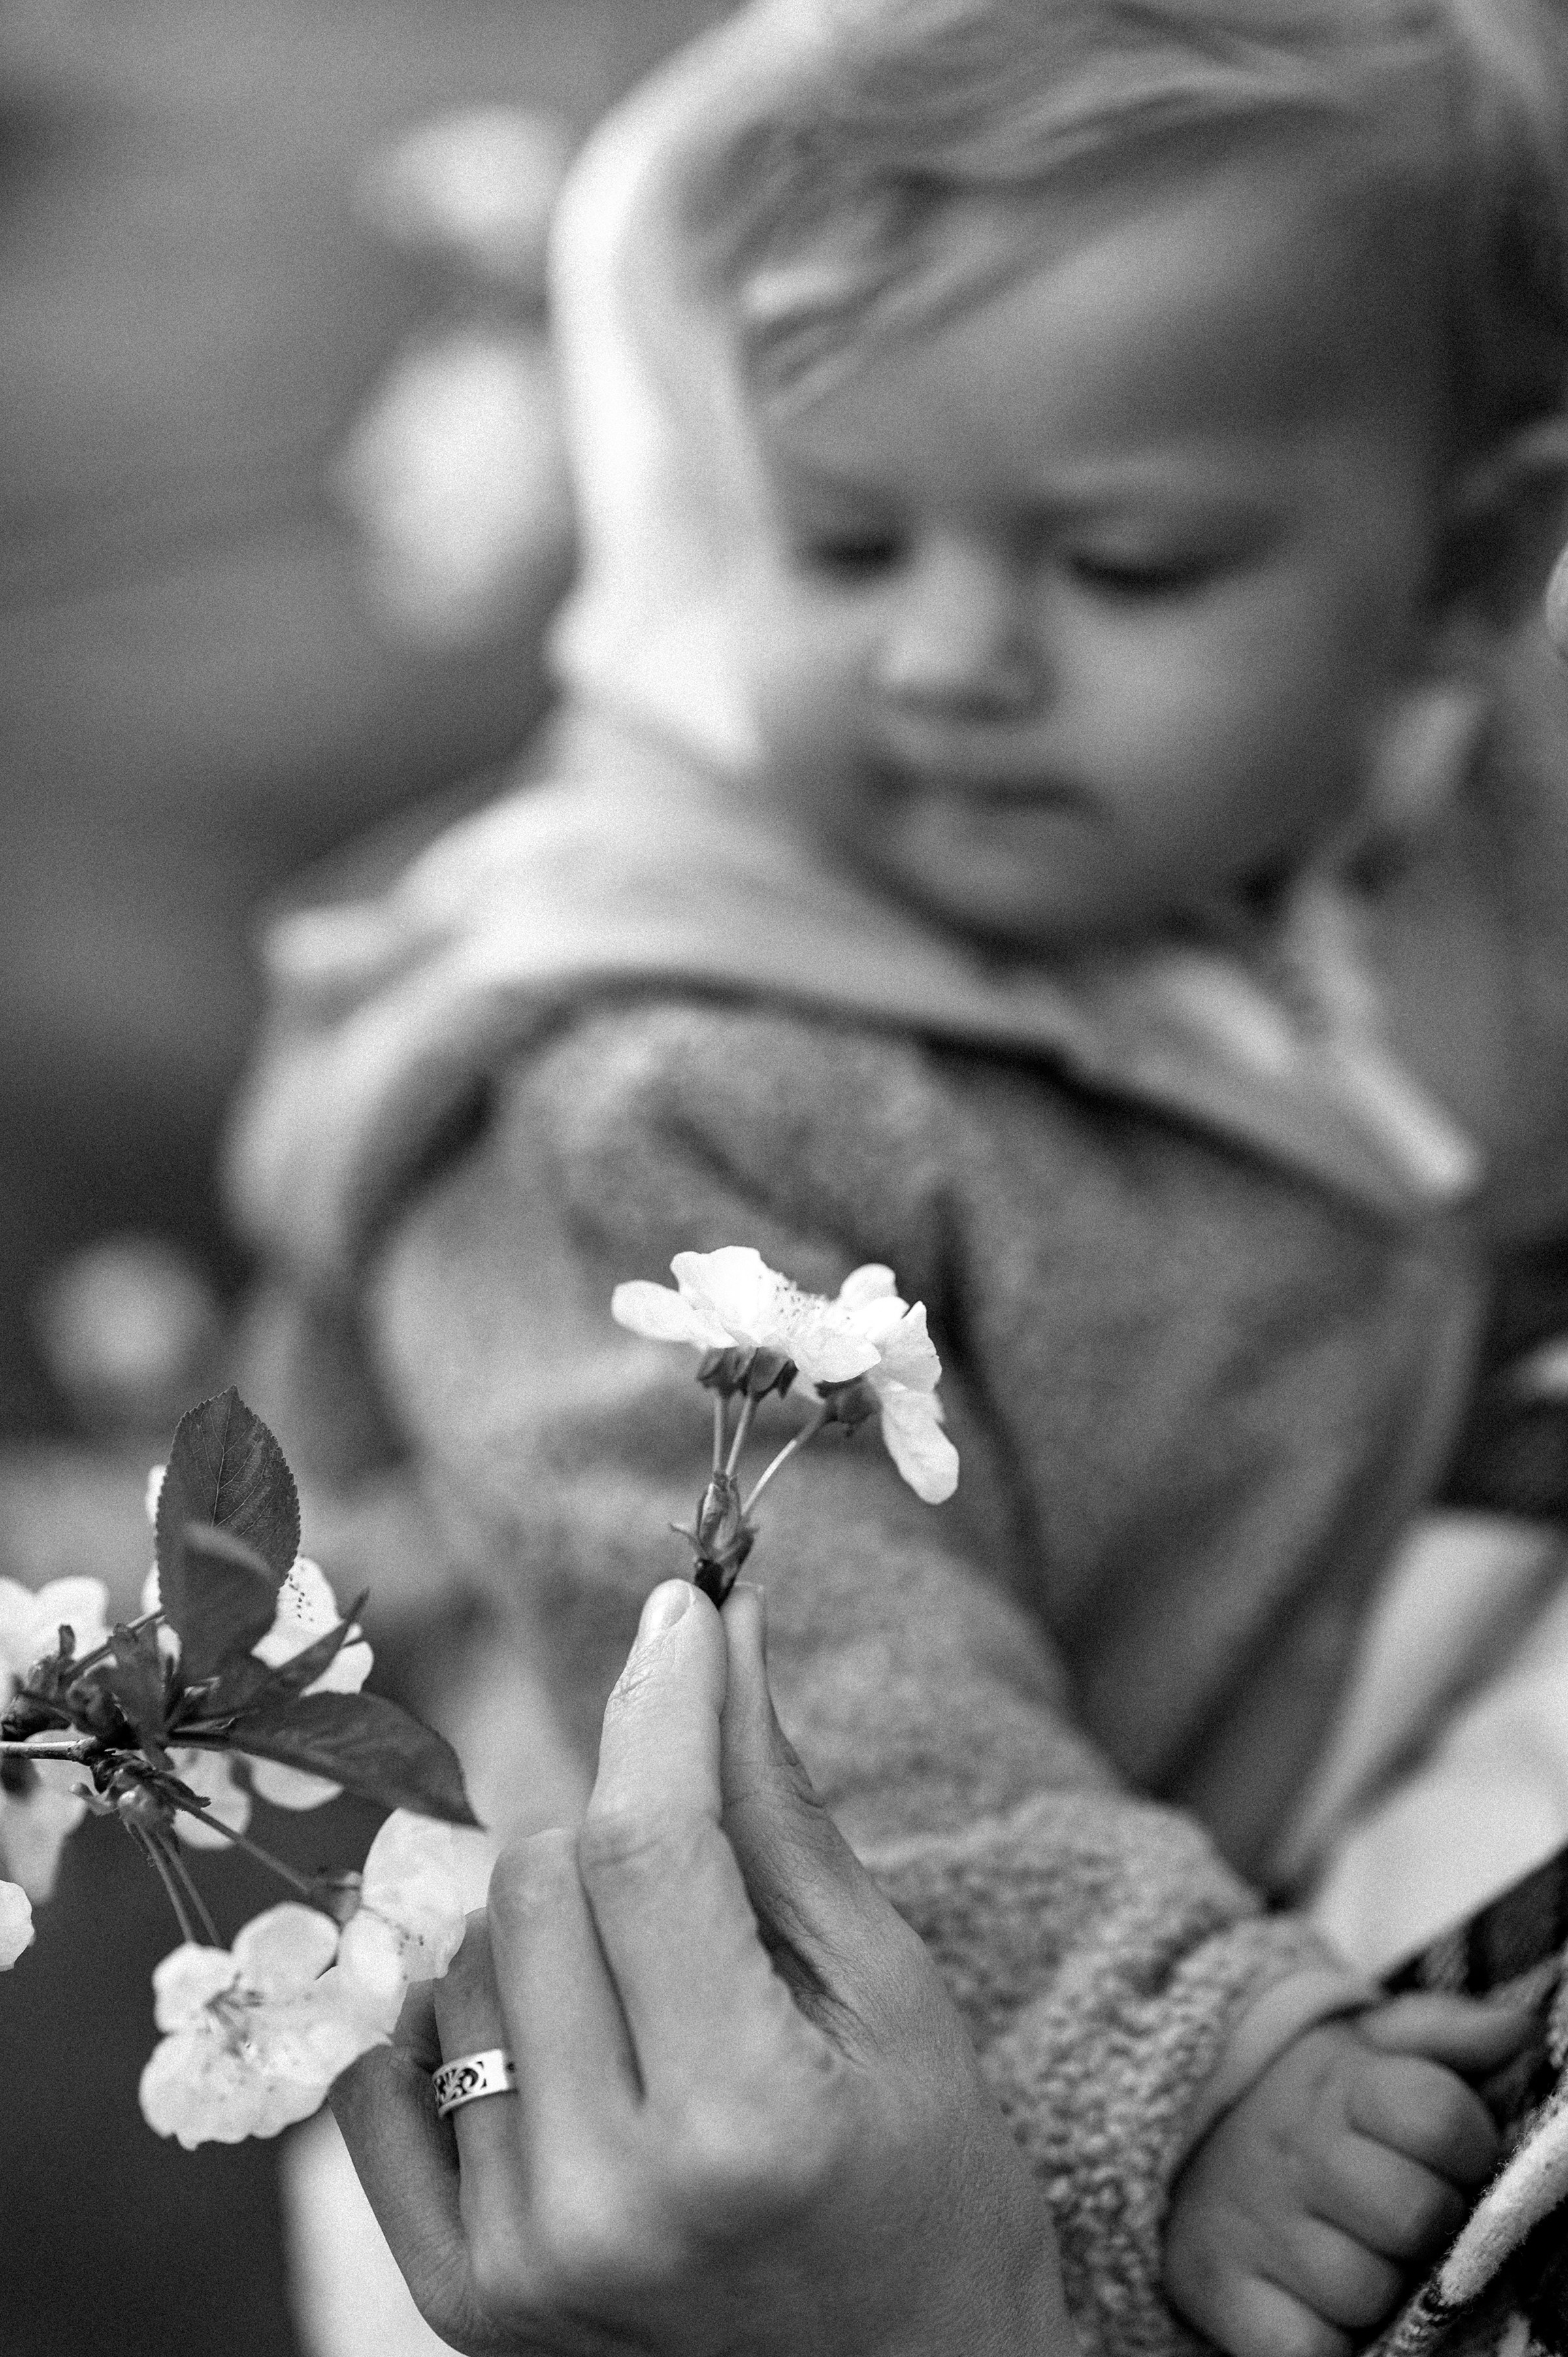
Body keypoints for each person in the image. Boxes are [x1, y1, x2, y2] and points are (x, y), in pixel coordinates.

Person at [229, 1, 1568, 2350]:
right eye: (838, 538)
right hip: (688, 2105)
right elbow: (808, 1712)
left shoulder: (1433, 840)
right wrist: (1194, 2065)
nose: (950, 659)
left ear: (1468, 580)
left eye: (1125, 566)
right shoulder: (651, 1082)